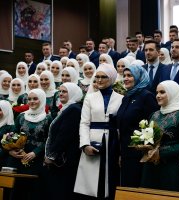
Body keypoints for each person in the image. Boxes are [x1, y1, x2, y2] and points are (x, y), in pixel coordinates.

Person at [74, 63, 123, 199]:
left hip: (113, 142)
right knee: (92, 183)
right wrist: (85, 145)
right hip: (93, 141)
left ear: (112, 78)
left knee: (111, 179)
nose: (99, 80)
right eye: (97, 77)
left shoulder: (121, 98)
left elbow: (120, 125)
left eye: (103, 77)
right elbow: (84, 123)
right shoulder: (90, 98)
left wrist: (120, 149)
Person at [140, 80, 179, 191]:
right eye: (157, 92)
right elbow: (147, 138)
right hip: (151, 166)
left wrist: (161, 153)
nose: (158, 95)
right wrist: (144, 147)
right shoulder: (154, 114)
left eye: (162, 92)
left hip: (171, 168)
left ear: (172, 93)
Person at [117, 64, 159, 187]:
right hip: (125, 151)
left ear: (139, 77)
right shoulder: (127, 97)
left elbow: (152, 124)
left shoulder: (146, 96)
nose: (125, 78)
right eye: (124, 76)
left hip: (139, 154)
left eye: (130, 75)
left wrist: (145, 150)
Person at [6, 89, 52, 199]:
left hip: (38, 160)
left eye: (35, 99)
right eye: (29, 99)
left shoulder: (48, 118)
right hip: (20, 158)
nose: (31, 101)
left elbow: (48, 140)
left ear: (41, 100)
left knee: (34, 192)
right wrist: (12, 150)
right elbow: (13, 136)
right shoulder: (21, 117)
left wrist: (35, 153)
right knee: (18, 191)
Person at [44, 82, 83, 200]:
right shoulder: (67, 108)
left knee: (62, 192)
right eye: (60, 91)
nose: (60, 94)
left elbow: (64, 136)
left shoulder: (74, 109)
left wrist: (51, 155)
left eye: (64, 91)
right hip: (62, 158)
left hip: (66, 159)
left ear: (73, 93)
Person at [0, 100, 15, 168]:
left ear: (6, 111)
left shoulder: (11, 128)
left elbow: (8, 147)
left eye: (0, 110)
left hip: (3, 161)